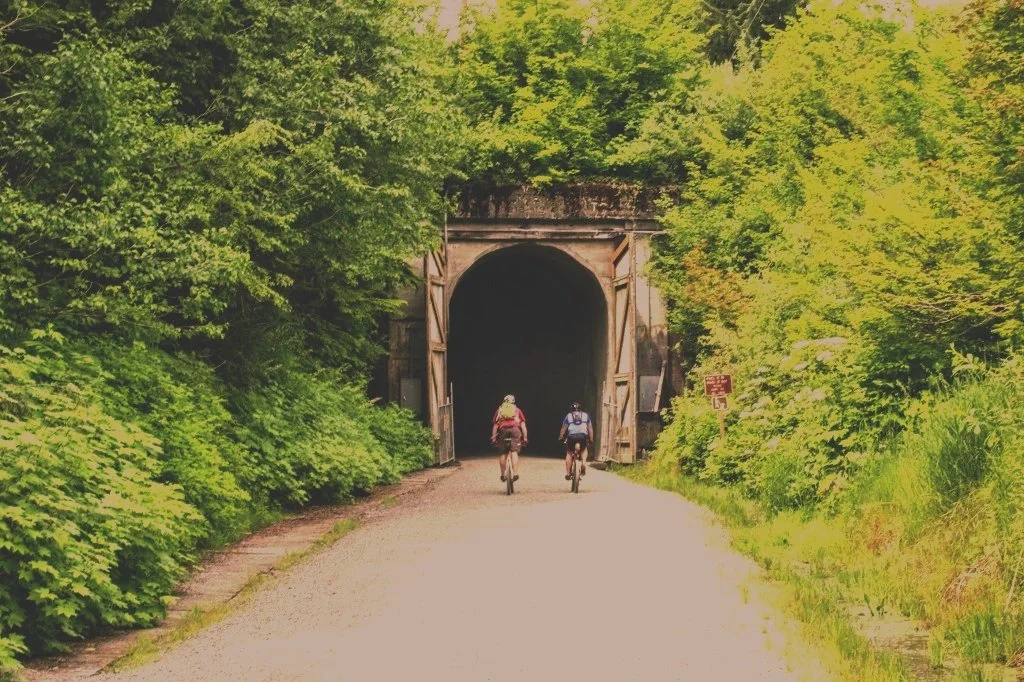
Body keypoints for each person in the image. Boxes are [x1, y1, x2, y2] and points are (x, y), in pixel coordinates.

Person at [491, 394, 528, 482]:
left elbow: (495, 426)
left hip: (503, 431)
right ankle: (515, 473)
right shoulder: (517, 410)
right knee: (514, 452)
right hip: (515, 431)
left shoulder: (499, 410)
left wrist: (493, 438)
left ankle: (503, 474)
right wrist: (525, 438)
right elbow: (523, 426)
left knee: (503, 453)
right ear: (513, 401)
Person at [558, 401, 594, 480]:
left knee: (569, 453)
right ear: (580, 409)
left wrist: (561, 437)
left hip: (571, 437)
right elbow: (590, 429)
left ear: (571, 410)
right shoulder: (585, 415)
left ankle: (568, 473)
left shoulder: (569, 416)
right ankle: (583, 464)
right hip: (582, 437)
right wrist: (591, 439)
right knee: (584, 449)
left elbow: (563, 428)